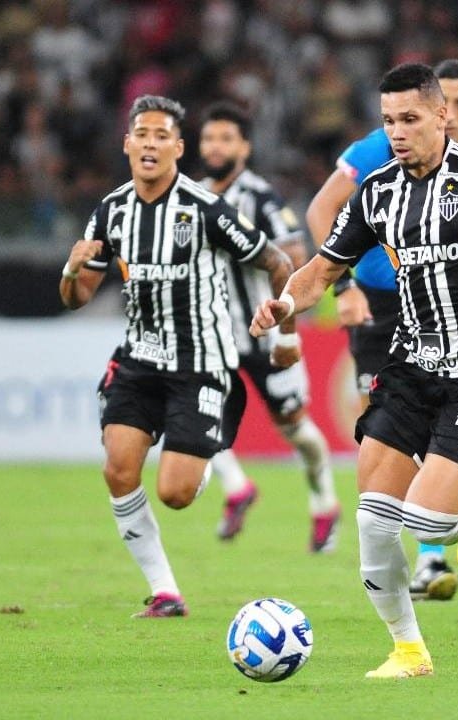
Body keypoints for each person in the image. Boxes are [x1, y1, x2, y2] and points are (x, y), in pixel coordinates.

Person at [251, 63, 458, 679]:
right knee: (373, 518)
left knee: (428, 521)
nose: (397, 132)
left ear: (442, 116)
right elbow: (323, 270)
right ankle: (408, 650)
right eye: (388, 121)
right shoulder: (377, 191)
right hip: (410, 366)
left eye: (409, 119)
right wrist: (283, 305)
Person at [59, 95, 293, 618]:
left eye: (161, 135)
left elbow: (277, 261)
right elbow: (76, 298)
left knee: (176, 494)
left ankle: (202, 455)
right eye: (142, 134)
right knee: (119, 470)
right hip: (138, 361)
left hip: (200, 365)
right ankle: (165, 591)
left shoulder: (206, 209)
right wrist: (72, 271)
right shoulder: (111, 210)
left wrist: (285, 334)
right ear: (127, 143)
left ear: (178, 148)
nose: (150, 143)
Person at [305, 59, 458, 600]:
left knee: (437, 436)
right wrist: (344, 287)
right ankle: (419, 557)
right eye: (447, 102)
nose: (454, 113)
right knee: (384, 438)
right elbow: (322, 210)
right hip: (381, 308)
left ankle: (432, 552)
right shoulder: (380, 150)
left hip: (457, 317)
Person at [198, 102, 340, 550]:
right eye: (209, 138)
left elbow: (294, 258)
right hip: (214, 337)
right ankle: (238, 488)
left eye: (226, 139)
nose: (215, 147)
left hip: (264, 337)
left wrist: (286, 334)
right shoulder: (193, 197)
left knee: (296, 429)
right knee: (193, 417)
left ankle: (324, 503)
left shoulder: (261, 198)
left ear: (244, 147)